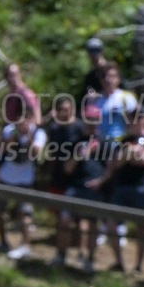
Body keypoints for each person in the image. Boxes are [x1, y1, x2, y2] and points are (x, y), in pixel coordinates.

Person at [102, 109, 144, 273]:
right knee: (111, 223)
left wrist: (128, 154)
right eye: (130, 117)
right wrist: (130, 153)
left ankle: (139, 265)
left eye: (136, 117)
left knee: (142, 227)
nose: (132, 120)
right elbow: (115, 164)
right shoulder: (124, 139)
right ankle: (119, 262)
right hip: (121, 186)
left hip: (142, 188)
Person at [0, 116, 47, 259]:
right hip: (6, 176)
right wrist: (14, 137)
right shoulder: (10, 130)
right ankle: (2, 242)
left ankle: (25, 245)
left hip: (25, 180)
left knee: (24, 213)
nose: (23, 123)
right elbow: (3, 150)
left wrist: (28, 137)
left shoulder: (38, 133)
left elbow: (35, 153)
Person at [61, 101, 106, 273]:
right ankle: (62, 255)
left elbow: (111, 168)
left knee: (92, 223)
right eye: (89, 118)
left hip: (95, 189)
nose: (92, 122)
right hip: (76, 186)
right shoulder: (75, 141)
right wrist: (78, 156)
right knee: (65, 219)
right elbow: (67, 169)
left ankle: (89, 258)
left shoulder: (104, 142)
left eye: (95, 119)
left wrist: (101, 181)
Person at [44, 95, 84, 266]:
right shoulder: (54, 128)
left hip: (76, 179)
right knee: (58, 213)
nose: (64, 113)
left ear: (72, 110)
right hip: (58, 176)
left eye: (67, 110)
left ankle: (80, 251)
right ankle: (62, 245)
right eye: (61, 110)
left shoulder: (79, 128)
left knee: (79, 217)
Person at [93, 62, 138, 143]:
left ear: (118, 79)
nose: (107, 79)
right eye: (104, 76)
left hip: (121, 142)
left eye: (111, 76)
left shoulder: (127, 97)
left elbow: (137, 123)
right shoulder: (96, 100)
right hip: (101, 143)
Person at [2, 62, 42, 126]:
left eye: (14, 74)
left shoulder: (26, 93)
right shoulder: (9, 97)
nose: (11, 78)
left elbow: (37, 119)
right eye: (8, 75)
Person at [79, 36, 107, 102]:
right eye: (91, 51)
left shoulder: (111, 71)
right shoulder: (90, 75)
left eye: (97, 50)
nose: (94, 53)